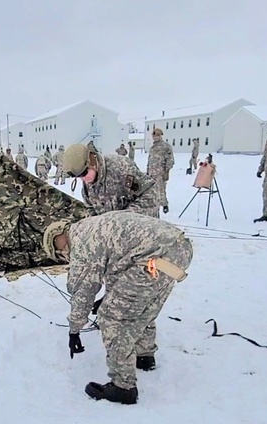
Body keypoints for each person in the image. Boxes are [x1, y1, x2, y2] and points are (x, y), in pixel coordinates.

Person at [43, 212, 194, 404]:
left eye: (58, 250)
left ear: (58, 237)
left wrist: (74, 329)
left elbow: (83, 289)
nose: (63, 255)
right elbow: (120, 266)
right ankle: (144, 355)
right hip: (178, 249)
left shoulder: (80, 241)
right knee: (143, 305)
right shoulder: (91, 227)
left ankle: (123, 386)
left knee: (111, 317)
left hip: (154, 257)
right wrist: (109, 297)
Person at [59, 143, 158, 217]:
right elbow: (90, 208)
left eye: (84, 173)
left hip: (140, 229)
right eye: (79, 176)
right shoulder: (88, 182)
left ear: (92, 162)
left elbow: (151, 193)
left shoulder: (122, 168)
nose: (83, 179)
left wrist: (126, 217)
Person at [146, 128, 174, 214]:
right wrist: (147, 171)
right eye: (154, 135)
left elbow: (170, 160)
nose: (155, 137)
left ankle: (164, 205)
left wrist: (167, 171)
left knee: (161, 189)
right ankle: (154, 205)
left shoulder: (166, 146)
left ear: (161, 135)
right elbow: (150, 160)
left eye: (158, 135)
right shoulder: (152, 148)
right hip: (151, 173)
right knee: (152, 190)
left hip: (160, 173)